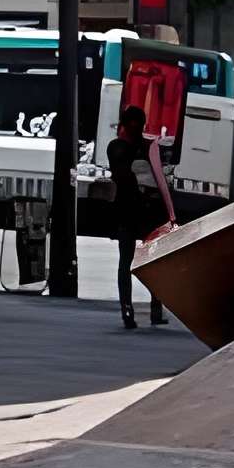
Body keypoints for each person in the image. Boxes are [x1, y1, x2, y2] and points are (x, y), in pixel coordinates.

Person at [107, 105, 166, 330]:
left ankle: (128, 310)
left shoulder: (117, 147)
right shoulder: (142, 148)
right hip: (146, 211)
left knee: (125, 261)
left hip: (127, 209)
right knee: (152, 261)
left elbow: (122, 175)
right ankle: (154, 308)